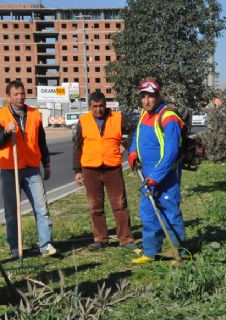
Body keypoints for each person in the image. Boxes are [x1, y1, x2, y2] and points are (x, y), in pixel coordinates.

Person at [0, 80, 56, 257]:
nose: (20, 97)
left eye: (22, 93)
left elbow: (41, 141)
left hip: (32, 168)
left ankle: (46, 245)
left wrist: (46, 164)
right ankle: (15, 247)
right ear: (8, 96)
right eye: (16, 94)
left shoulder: (35, 114)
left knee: (42, 208)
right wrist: (5, 133)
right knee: (12, 212)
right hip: (11, 169)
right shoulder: (0, 115)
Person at [127, 79, 186, 264]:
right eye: (143, 96)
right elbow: (137, 135)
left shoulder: (168, 117)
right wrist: (133, 152)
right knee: (148, 213)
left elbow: (171, 152)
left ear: (159, 96)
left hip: (165, 175)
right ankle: (151, 252)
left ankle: (180, 252)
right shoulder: (145, 114)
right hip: (147, 175)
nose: (146, 101)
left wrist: (156, 176)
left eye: (150, 96)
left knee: (170, 211)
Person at [73, 92, 135, 251]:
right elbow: (77, 145)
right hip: (90, 169)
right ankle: (101, 239)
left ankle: (126, 239)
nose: (99, 110)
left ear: (105, 105)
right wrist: (77, 170)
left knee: (120, 205)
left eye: (101, 106)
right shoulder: (83, 121)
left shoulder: (118, 118)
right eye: (95, 106)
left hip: (112, 167)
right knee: (95, 207)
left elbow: (135, 128)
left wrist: (126, 144)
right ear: (89, 107)